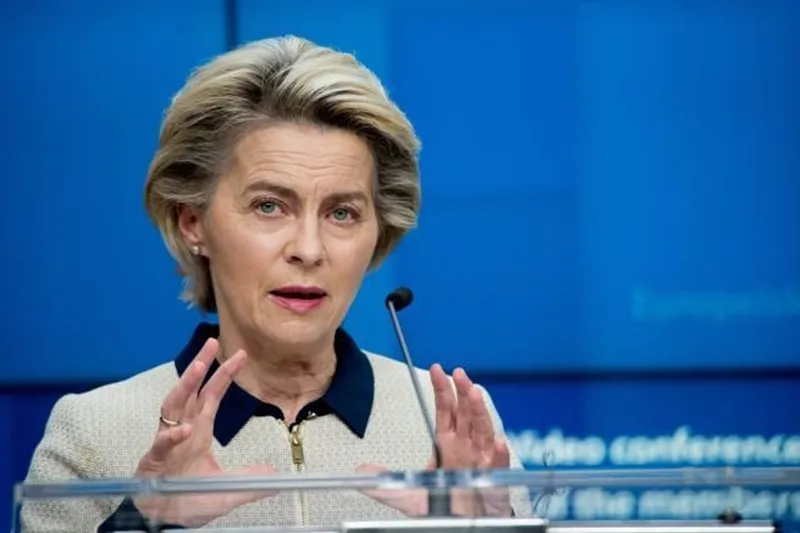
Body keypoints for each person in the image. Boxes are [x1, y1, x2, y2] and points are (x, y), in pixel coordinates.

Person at [20, 35, 531, 532]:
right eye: (269, 206)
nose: (308, 249)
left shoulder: (451, 426)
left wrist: (490, 532)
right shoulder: (94, 434)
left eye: (342, 212)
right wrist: (141, 522)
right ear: (193, 222)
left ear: (379, 231)